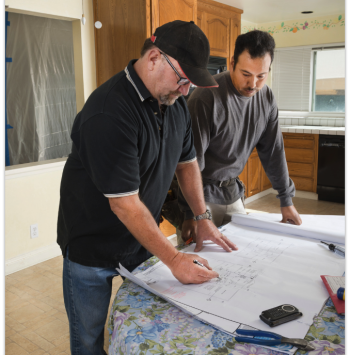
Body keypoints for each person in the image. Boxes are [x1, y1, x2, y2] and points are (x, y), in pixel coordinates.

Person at [57, 20, 237, 355]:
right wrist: (173, 259)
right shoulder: (109, 111)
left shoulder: (176, 105)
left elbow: (187, 165)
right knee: (88, 340)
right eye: (183, 78)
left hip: (139, 243)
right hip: (90, 247)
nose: (186, 90)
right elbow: (123, 204)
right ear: (154, 57)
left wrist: (201, 216)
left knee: (152, 325)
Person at [178, 29, 302, 245]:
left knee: (239, 256)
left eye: (261, 76)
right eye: (246, 74)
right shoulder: (205, 98)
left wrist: (286, 199)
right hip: (200, 196)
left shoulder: (267, 98)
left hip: (233, 192)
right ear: (232, 62)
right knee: (201, 264)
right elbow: (190, 162)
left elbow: (273, 152)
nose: (253, 84)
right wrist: (191, 214)